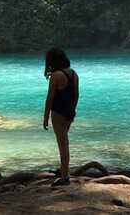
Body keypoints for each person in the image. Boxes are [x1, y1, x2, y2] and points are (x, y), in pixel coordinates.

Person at [43, 47, 80, 187]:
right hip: (69, 112)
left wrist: (45, 117)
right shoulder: (74, 74)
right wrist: (72, 110)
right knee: (64, 143)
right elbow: (76, 95)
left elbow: (50, 98)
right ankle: (63, 171)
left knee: (63, 145)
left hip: (58, 113)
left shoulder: (56, 75)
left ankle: (65, 176)